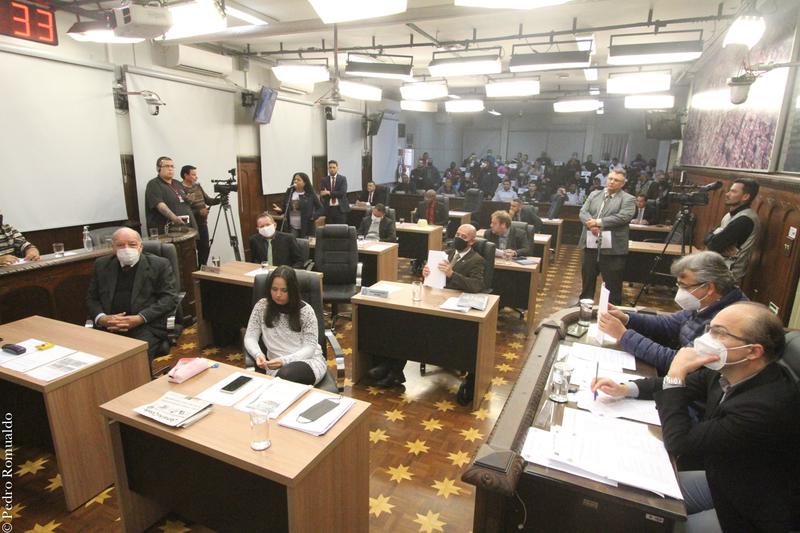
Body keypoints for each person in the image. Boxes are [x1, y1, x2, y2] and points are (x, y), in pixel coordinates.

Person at [592, 302, 800, 532]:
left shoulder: (766, 406)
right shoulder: (730, 371)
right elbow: (687, 385)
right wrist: (626, 389)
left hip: (753, 510)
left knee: (651, 525)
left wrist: (675, 373)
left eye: (719, 333)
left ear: (753, 351)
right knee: (631, 496)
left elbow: (679, 441)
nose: (707, 339)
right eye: (710, 329)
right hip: (723, 479)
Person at [369, 224, 485, 390]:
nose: (458, 238)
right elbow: (434, 282)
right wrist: (426, 275)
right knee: (403, 321)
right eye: (457, 234)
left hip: (455, 309)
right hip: (435, 300)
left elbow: (476, 286)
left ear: (472, 241)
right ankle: (392, 367)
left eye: (463, 237)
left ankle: (393, 369)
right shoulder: (447, 253)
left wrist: (452, 274)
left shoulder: (477, 260)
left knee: (416, 329)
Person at [598, 251, 747, 374]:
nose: (680, 292)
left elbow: (678, 362)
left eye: (684, 286)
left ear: (709, 288)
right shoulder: (705, 302)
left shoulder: (728, 321)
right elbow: (668, 324)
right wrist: (627, 319)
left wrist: (623, 335)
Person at [86, 227, 179, 360]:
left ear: (140, 247)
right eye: (120, 245)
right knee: (93, 358)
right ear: (113, 248)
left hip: (145, 325)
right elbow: (92, 298)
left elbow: (169, 298)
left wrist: (140, 318)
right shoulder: (101, 265)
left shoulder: (159, 264)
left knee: (134, 358)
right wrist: (102, 318)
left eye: (132, 244)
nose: (126, 249)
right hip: (109, 325)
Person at [243, 266, 327, 385]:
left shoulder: (306, 311)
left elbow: (309, 348)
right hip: (274, 366)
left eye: (284, 290)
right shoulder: (261, 307)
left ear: (292, 290)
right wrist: (258, 354)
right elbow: (250, 337)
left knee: (286, 376)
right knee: (283, 379)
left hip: (307, 362)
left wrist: (284, 361)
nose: (278, 294)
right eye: (274, 289)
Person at [578, 169, 635, 305]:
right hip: (591, 244)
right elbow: (583, 212)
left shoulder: (628, 199)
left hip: (613, 249)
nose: (612, 182)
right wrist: (591, 225)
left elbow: (623, 217)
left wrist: (598, 222)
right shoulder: (594, 194)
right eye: (610, 179)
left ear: (622, 184)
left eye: (616, 180)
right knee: (588, 277)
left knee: (612, 283)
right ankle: (585, 304)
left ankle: (612, 309)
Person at [704, 178, 759, 284]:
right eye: (729, 190)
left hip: (728, 275)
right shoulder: (730, 215)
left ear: (745, 197)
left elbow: (713, 245)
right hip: (718, 269)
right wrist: (712, 238)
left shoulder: (745, 219)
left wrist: (713, 238)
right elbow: (707, 239)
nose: (727, 194)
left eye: (733, 191)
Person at [180, 165, 220, 267]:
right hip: (190, 226)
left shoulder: (197, 186)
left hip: (202, 224)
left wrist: (220, 199)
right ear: (185, 175)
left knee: (205, 248)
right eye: (193, 175)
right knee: (191, 250)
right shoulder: (180, 189)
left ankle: (202, 269)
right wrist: (198, 212)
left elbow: (208, 200)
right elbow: (182, 210)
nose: (196, 177)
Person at [144, 156, 196, 235]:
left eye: (172, 166)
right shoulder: (154, 184)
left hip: (186, 227)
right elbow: (160, 206)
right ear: (158, 168)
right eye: (167, 166)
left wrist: (190, 199)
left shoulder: (177, 183)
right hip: (167, 231)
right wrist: (174, 218)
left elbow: (184, 201)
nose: (170, 169)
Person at [272, 172, 322, 238]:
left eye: (298, 180)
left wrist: (313, 216)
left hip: (307, 226)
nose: (295, 181)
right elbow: (285, 209)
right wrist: (280, 210)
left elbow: (320, 208)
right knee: (294, 243)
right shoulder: (290, 193)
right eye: (294, 179)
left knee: (306, 243)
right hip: (293, 227)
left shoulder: (310, 194)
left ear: (304, 183)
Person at [319, 160, 350, 225]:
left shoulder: (342, 179)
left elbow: (342, 193)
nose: (332, 169)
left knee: (340, 229)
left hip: (340, 209)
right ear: (328, 169)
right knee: (330, 229)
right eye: (330, 168)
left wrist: (329, 193)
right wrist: (334, 193)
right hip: (329, 209)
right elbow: (322, 194)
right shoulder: (324, 180)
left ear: (337, 168)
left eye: (334, 167)